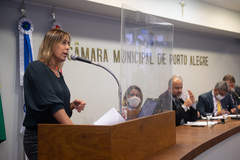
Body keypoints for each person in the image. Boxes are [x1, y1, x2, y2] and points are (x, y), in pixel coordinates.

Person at [23, 29, 86, 160]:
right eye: (63, 43)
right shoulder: (36, 67)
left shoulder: (57, 73)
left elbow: (53, 107)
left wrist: (70, 106)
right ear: (51, 44)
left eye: (68, 43)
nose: (68, 47)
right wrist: (77, 134)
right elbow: (52, 105)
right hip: (40, 138)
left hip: (57, 135)